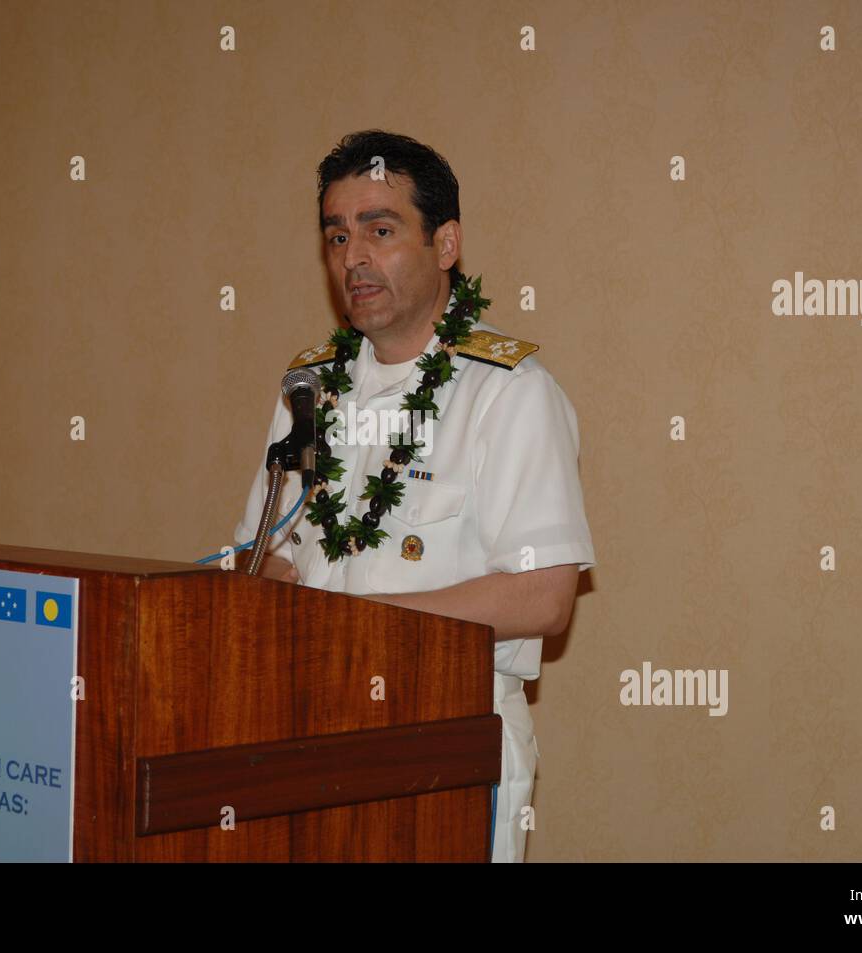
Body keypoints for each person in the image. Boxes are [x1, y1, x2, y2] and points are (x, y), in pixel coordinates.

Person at [231, 130, 595, 862]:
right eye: (337, 235)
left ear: (447, 243)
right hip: (307, 733)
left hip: (443, 742)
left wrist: (359, 626)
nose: (352, 257)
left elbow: (544, 597)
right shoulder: (311, 387)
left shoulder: (508, 392)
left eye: (381, 229)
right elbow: (264, 557)